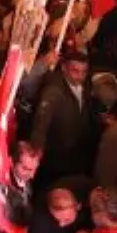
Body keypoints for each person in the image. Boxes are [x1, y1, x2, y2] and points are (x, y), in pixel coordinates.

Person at [30, 50, 94, 186]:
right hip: (56, 156)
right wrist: (37, 148)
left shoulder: (84, 86)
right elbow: (41, 122)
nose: (80, 76)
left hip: (74, 152)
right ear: (64, 68)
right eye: (75, 71)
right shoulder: (54, 90)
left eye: (84, 72)